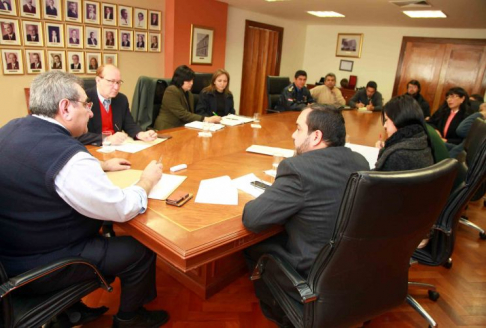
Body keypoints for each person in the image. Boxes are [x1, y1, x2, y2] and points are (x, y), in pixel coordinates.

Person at [0, 71, 169, 328]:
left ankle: (70, 310)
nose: (91, 113)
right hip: (42, 264)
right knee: (140, 251)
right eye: (86, 104)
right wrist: (147, 180)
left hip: (11, 251)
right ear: (65, 107)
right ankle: (129, 319)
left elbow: (36, 167)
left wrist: (100, 165)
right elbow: (122, 208)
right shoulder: (70, 159)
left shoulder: (11, 128)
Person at [242, 104, 369, 325]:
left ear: (316, 136)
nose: (293, 135)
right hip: (352, 271)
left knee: (252, 246)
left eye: (299, 129)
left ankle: (282, 313)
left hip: (312, 274)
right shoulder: (360, 161)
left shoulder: (298, 169)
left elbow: (253, 218)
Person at [77, 64, 157, 145]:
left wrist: (141, 134)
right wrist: (106, 139)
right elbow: (78, 135)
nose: (116, 87)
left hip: (116, 147)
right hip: (92, 148)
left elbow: (129, 124)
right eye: (111, 81)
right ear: (98, 80)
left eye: (118, 82)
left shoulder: (121, 99)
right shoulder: (83, 99)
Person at [373, 95, 434, 171]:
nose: (384, 126)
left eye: (386, 120)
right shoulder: (422, 139)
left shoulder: (396, 155)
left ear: (399, 120)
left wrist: (383, 152)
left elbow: (375, 178)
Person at [154, 65, 221, 130]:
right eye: (188, 81)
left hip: (182, 128)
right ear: (180, 80)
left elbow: (190, 114)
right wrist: (205, 119)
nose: (191, 83)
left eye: (192, 80)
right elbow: (182, 114)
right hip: (167, 128)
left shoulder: (189, 94)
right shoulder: (171, 90)